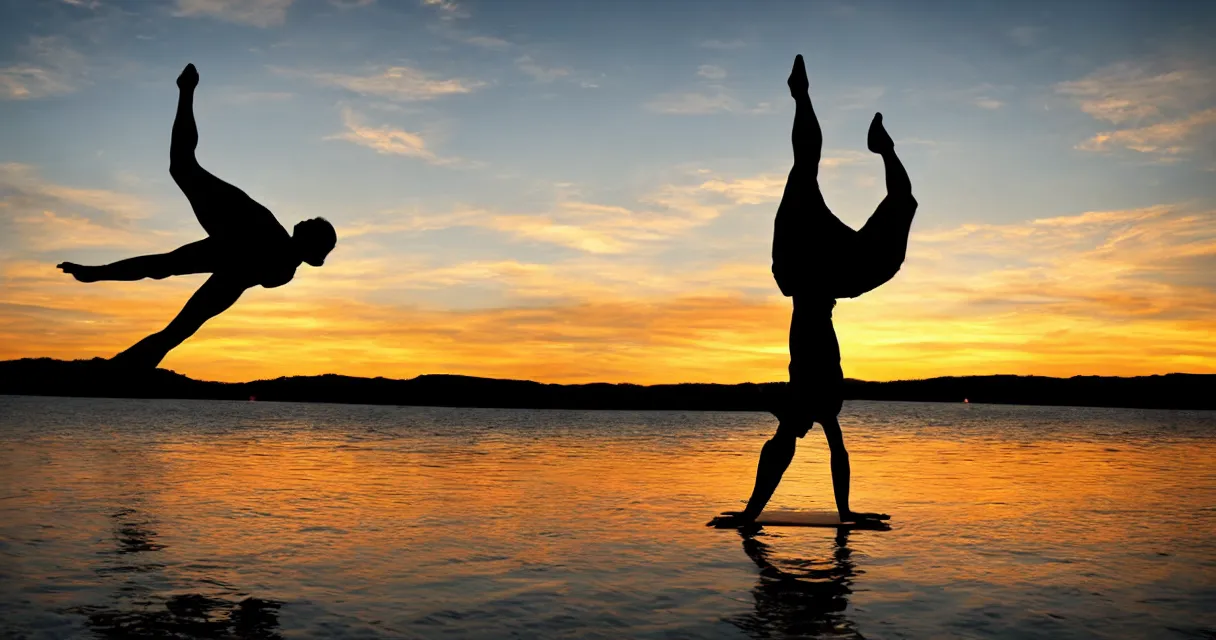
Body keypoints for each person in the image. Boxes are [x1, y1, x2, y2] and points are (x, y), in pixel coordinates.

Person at [709, 54, 917, 528]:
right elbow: (828, 449)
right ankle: (878, 145)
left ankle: (820, 108)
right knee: (878, 200)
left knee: (810, 172)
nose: (792, 431)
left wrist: (750, 514)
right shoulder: (815, 404)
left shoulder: (807, 404)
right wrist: (845, 513)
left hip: (813, 274)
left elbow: (792, 449)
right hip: (821, 280)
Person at [57, 63, 337, 369]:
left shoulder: (280, 255)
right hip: (229, 246)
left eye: (314, 226)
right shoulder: (281, 258)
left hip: (231, 250)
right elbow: (261, 274)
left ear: (311, 246)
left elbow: (259, 273)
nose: (308, 219)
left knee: (174, 316)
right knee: (169, 289)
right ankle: (119, 349)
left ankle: (122, 366)